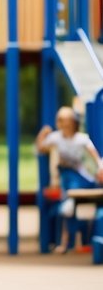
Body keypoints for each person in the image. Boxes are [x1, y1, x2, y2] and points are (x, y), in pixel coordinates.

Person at [35, 106, 103, 252]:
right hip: (67, 178)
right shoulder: (56, 137)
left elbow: (96, 158)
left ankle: (75, 236)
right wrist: (42, 134)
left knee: (74, 205)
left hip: (82, 178)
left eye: (63, 119)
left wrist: (100, 170)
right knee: (66, 206)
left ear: (72, 121)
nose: (60, 122)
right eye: (59, 119)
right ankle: (68, 239)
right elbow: (40, 148)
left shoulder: (81, 139)